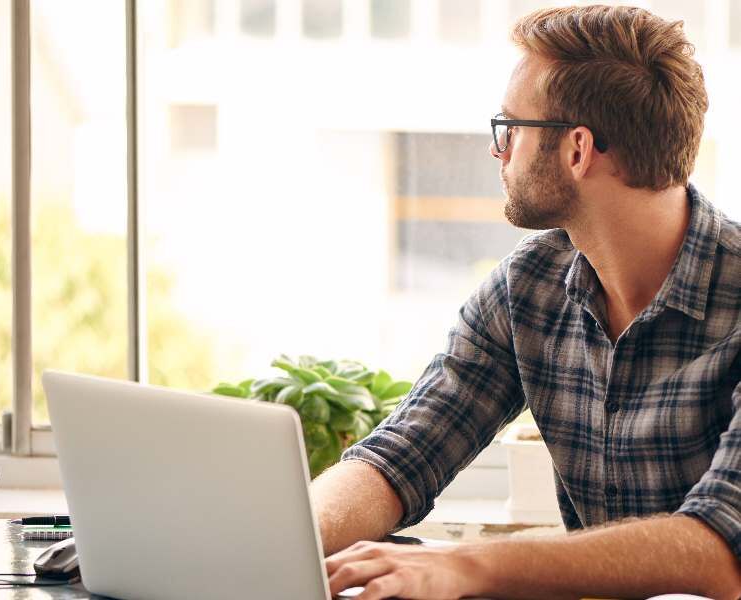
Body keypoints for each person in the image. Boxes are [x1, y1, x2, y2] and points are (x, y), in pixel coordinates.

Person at [312, 5, 741, 599]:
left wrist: (469, 565)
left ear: (577, 149)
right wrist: (290, 533)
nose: (499, 151)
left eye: (510, 127)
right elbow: (402, 455)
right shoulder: (529, 286)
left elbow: (719, 551)